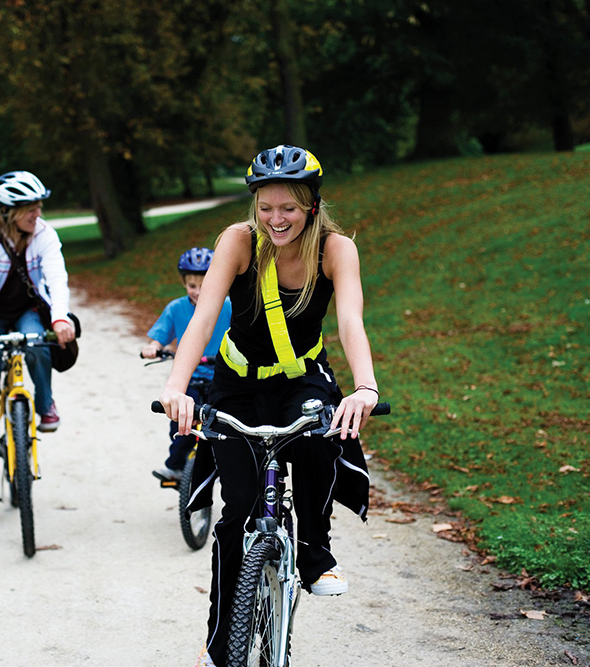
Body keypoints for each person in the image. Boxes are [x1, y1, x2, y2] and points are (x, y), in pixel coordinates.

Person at [158, 145, 379, 667]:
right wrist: (177, 385)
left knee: (324, 429)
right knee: (236, 518)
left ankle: (314, 552)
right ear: (254, 206)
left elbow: (350, 322)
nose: (276, 219)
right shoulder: (237, 242)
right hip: (236, 383)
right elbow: (203, 316)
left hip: (302, 375)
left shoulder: (336, 249)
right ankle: (219, 647)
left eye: (289, 208)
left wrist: (365, 386)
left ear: (311, 205)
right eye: (265, 207)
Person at [0, 171, 75, 438]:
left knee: (38, 345)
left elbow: (57, 279)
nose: (38, 214)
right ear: (8, 212)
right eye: (31, 209)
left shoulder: (45, 235)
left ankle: (46, 404)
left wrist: (60, 318)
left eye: (39, 207)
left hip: (28, 311)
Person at [141, 247, 231, 481]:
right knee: (181, 424)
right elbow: (159, 336)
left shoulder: (230, 306)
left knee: (226, 426)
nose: (198, 292)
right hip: (190, 377)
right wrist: (153, 346)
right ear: (183, 283)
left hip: (223, 378)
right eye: (192, 286)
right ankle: (177, 467)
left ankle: (230, 469)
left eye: (204, 285)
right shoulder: (176, 308)